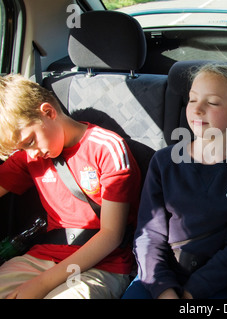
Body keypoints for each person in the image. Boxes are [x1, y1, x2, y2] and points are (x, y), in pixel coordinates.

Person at [122, 63, 227, 299]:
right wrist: (164, 290)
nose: (198, 109)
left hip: (216, 282)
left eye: (211, 102)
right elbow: (149, 234)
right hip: (159, 276)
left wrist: (192, 293)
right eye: (192, 100)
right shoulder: (164, 162)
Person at [0, 74, 141, 298]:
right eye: (22, 149)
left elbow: (112, 235)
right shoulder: (29, 157)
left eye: (30, 142)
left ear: (48, 112)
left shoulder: (107, 148)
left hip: (102, 265)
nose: (31, 154)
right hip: (42, 257)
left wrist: (41, 284)